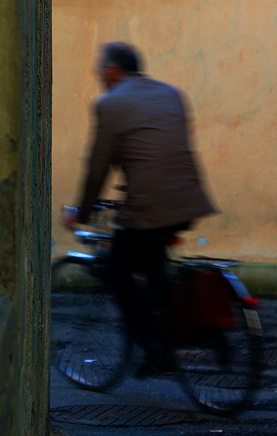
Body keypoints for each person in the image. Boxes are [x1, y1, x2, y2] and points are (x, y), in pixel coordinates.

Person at [62, 42, 217, 369]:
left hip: (149, 205)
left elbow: (97, 167)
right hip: (188, 200)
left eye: (100, 68)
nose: (98, 74)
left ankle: (156, 347)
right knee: (152, 263)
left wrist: (81, 213)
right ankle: (173, 334)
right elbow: (158, 151)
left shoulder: (110, 104)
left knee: (117, 272)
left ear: (112, 70)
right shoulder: (171, 94)